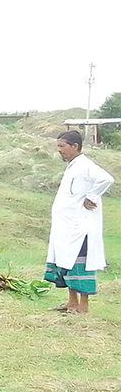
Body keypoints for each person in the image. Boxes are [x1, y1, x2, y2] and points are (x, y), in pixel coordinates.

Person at [45, 130, 115, 315]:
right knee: (66, 263)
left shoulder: (85, 165)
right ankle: (71, 303)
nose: (59, 150)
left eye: (62, 146)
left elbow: (107, 179)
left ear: (75, 146)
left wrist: (92, 196)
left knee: (80, 264)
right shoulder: (73, 166)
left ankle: (83, 307)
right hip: (65, 227)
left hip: (79, 227)